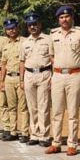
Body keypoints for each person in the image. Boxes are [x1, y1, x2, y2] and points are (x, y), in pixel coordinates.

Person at [47, 4, 80, 156]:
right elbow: (51, 56)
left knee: (73, 112)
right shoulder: (53, 34)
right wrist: (59, 68)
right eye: (61, 17)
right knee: (57, 111)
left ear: (72, 17)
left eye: (67, 16)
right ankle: (56, 143)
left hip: (74, 75)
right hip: (58, 76)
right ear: (58, 20)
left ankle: (72, 144)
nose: (64, 19)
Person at [19, 12, 52, 146]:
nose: (33, 27)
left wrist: (53, 76)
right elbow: (22, 61)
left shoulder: (48, 39)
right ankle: (34, 134)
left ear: (40, 25)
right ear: (27, 27)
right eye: (30, 25)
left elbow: (52, 58)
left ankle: (44, 136)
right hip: (29, 75)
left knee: (43, 106)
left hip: (44, 74)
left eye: (35, 24)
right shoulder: (25, 42)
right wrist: (21, 79)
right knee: (32, 107)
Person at [0, 18, 30, 142]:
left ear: (17, 28)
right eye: (8, 29)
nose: (11, 31)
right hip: (9, 78)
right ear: (6, 31)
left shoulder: (25, 41)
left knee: (23, 107)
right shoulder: (5, 45)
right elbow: (3, 64)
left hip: (21, 77)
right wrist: (1, 81)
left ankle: (25, 132)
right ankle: (13, 131)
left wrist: (23, 78)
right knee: (11, 107)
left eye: (13, 28)